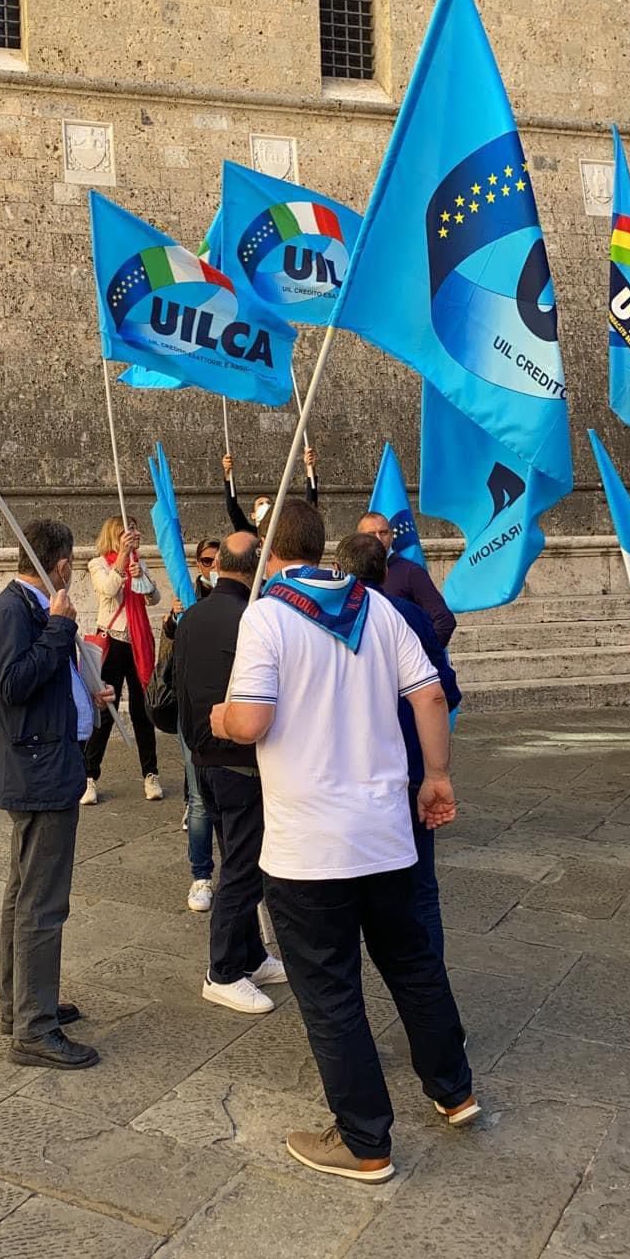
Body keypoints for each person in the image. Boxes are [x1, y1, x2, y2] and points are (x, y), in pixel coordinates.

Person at [211, 499, 478, 1184]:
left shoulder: (267, 615)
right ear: (321, 545)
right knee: (413, 965)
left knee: (331, 992)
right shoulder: (378, 608)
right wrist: (437, 776)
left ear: (272, 555)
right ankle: (454, 1090)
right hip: (386, 833)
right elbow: (430, 696)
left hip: (308, 847)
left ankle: (364, 1140)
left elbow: (252, 721)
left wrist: (221, 717)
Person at [0, 519, 114, 1070]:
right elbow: (13, 683)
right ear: (61, 566)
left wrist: (84, 695)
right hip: (37, 772)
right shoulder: (17, 611)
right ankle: (33, 1026)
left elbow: (39, 683)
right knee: (42, 902)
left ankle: (23, 1003)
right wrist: (58, 629)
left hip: (41, 763)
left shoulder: (28, 608)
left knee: (24, 892)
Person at [174, 530, 286, 1014]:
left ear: (219, 564)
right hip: (240, 761)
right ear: (256, 567)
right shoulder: (252, 617)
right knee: (244, 869)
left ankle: (249, 955)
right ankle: (221, 971)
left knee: (237, 858)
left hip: (204, 759)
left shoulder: (192, 616)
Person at [335, 532, 461, 958]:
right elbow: (441, 692)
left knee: (341, 891)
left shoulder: (322, 619)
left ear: (339, 570)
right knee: (421, 887)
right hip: (408, 764)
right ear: (385, 569)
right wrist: (438, 771)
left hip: (346, 770)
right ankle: (430, 977)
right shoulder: (408, 615)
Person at [82, 516, 162, 806]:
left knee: (143, 712)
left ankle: (150, 774)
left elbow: (154, 598)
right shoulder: (98, 564)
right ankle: (89, 776)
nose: (133, 534)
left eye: (135, 529)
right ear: (114, 536)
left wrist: (142, 579)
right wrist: (123, 560)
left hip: (138, 643)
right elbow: (108, 589)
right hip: (112, 642)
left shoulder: (139, 563)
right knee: (105, 711)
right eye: (126, 531)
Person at [162, 538, 221, 911]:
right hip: (193, 709)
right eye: (207, 560)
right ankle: (201, 875)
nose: (213, 566)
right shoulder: (188, 596)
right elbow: (172, 643)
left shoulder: (243, 598)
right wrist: (173, 618)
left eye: (219, 560)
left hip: (229, 710)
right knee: (199, 799)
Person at [357, 511, 456, 647]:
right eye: (371, 534)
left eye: (383, 533)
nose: (378, 539)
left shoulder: (411, 572)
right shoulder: (351, 573)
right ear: (358, 539)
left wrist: (422, 655)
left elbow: (444, 620)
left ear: (391, 536)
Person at [223, 449, 319, 535]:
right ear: (253, 515)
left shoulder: (284, 535)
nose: (266, 505)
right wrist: (228, 474)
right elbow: (233, 509)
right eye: (260, 503)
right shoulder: (249, 534)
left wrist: (310, 469)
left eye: (269, 503)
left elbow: (309, 510)